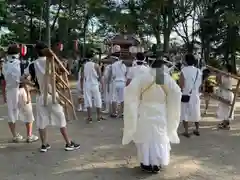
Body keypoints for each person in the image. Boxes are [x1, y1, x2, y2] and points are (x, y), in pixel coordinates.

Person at [122, 59, 181, 173]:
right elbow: (176, 92)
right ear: (162, 67)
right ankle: (157, 163)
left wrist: (136, 102)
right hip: (160, 110)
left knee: (146, 137)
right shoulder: (161, 76)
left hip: (145, 109)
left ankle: (146, 163)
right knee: (159, 136)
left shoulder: (143, 76)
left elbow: (130, 90)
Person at [23, 42, 80, 152]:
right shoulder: (53, 62)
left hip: (41, 96)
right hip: (53, 95)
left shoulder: (32, 64)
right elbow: (62, 75)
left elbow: (23, 78)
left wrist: (34, 85)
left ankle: (44, 145)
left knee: (41, 120)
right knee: (61, 119)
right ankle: (68, 143)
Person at [2, 44, 38, 143]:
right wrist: (29, 92)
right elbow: (23, 80)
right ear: (18, 53)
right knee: (28, 112)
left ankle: (15, 136)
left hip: (10, 91)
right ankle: (29, 135)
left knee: (11, 114)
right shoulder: (21, 64)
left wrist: (4, 95)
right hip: (21, 90)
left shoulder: (4, 65)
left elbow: (3, 81)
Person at [179, 54, 202, 138]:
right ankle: (197, 129)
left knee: (185, 112)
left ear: (186, 61)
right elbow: (200, 84)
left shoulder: (183, 70)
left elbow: (181, 84)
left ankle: (186, 131)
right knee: (196, 111)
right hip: (195, 94)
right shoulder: (198, 71)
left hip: (186, 94)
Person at [80, 50, 104, 123]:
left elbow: (82, 77)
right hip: (95, 84)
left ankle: (89, 117)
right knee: (98, 100)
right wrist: (102, 85)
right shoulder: (96, 65)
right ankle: (99, 117)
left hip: (87, 85)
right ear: (93, 56)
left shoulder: (84, 66)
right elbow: (100, 76)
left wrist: (81, 87)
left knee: (88, 100)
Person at [217, 64, 234, 130]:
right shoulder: (224, 75)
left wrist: (220, 75)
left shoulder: (229, 76)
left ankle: (226, 125)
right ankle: (224, 123)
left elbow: (221, 83)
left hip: (227, 94)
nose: (223, 69)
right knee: (224, 109)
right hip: (224, 93)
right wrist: (220, 75)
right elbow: (219, 82)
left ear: (227, 69)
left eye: (224, 68)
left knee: (227, 109)